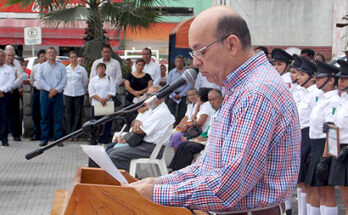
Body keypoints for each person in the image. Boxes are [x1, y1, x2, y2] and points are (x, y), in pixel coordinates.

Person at [126, 6, 300, 214]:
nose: (196, 62)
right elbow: (208, 166)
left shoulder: (256, 93)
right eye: (193, 53)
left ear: (231, 44)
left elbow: (228, 186)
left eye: (201, 52)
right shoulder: (241, 88)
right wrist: (159, 182)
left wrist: (156, 194)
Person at [107, 86, 175, 172]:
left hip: (152, 148)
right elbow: (135, 123)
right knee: (111, 151)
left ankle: (130, 180)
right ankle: (122, 178)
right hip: (144, 144)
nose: (150, 98)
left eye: (153, 95)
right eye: (148, 95)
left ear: (161, 98)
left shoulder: (161, 112)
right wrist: (137, 121)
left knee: (115, 155)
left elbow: (139, 130)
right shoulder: (151, 108)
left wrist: (137, 123)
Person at [305, 60, 340, 215]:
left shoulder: (334, 101)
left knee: (326, 192)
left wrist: (325, 157)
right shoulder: (322, 98)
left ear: (331, 80)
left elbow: (331, 131)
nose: (316, 80)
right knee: (317, 190)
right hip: (315, 146)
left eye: (320, 78)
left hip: (324, 147)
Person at [169, 89, 223, 171]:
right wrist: (200, 138)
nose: (212, 102)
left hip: (213, 142)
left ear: (221, 98)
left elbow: (201, 123)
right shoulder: (215, 112)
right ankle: (175, 170)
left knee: (189, 146)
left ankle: (182, 172)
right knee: (183, 144)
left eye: (214, 99)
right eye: (210, 100)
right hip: (205, 138)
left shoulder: (222, 113)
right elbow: (208, 130)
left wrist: (203, 138)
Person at [295, 57, 322, 215]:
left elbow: (315, 119)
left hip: (309, 136)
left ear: (312, 77)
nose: (298, 77)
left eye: (302, 75)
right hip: (301, 135)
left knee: (308, 182)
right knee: (301, 181)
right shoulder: (303, 93)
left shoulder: (315, 94)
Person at [327, 59, 348, 215]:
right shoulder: (343, 100)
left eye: (345, 78)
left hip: (347, 149)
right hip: (339, 149)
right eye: (339, 78)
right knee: (344, 196)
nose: (340, 81)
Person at [37, 47, 67, 147]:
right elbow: (40, 80)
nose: (51, 54)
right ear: (45, 55)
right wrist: (49, 89)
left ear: (56, 54)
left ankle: (58, 139)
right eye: (49, 52)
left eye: (53, 52)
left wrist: (55, 90)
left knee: (58, 117)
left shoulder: (61, 67)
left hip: (58, 94)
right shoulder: (41, 67)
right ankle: (44, 138)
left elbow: (64, 80)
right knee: (44, 117)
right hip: (45, 93)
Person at [88, 63, 116, 144]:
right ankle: (94, 139)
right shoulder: (93, 80)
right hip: (96, 104)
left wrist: (106, 99)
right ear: (96, 70)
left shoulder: (109, 79)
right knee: (95, 123)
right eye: (99, 68)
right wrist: (100, 100)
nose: (101, 70)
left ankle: (105, 139)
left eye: (103, 68)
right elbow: (91, 92)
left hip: (107, 104)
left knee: (108, 123)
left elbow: (112, 91)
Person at [63, 51, 88, 137]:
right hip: (68, 93)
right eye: (72, 57)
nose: (73, 59)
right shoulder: (66, 69)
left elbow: (85, 82)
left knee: (78, 113)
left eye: (75, 57)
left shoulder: (82, 69)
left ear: (77, 58)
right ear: (69, 59)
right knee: (68, 113)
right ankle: (69, 133)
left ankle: (75, 133)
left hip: (79, 93)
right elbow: (63, 81)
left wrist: (82, 90)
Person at [5, 48, 27, 141]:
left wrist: (11, 86)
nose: (10, 57)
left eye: (12, 55)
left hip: (13, 91)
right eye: (8, 55)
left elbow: (21, 77)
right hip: (2, 91)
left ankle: (16, 134)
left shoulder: (16, 64)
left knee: (15, 114)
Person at [166, 55, 192, 124]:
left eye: (181, 61)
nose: (180, 63)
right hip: (172, 95)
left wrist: (181, 95)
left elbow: (189, 85)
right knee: (170, 113)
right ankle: (170, 127)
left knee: (182, 114)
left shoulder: (187, 72)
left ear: (183, 62)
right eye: (178, 61)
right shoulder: (171, 72)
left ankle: (179, 127)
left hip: (183, 96)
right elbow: (168, 85)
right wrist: (174, 94)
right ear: (175, 63)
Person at [30, 49, 46, 141]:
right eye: (41, 57)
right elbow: (32, 80)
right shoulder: (35, 67)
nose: (43, 58)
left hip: (45, 92)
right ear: (38, 58)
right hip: (37, 91)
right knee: (36, 113)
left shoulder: (48, 67)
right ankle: (36, 133)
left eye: (44, 56)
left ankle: (46, 134)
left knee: (45, 114)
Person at [0, 49, 15, 146]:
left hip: (4, 96)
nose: (0, 57)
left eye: (2, 56)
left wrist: (2, 91)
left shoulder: (9, 69)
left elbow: (11, 82)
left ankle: (4, 139)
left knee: (4, 118)